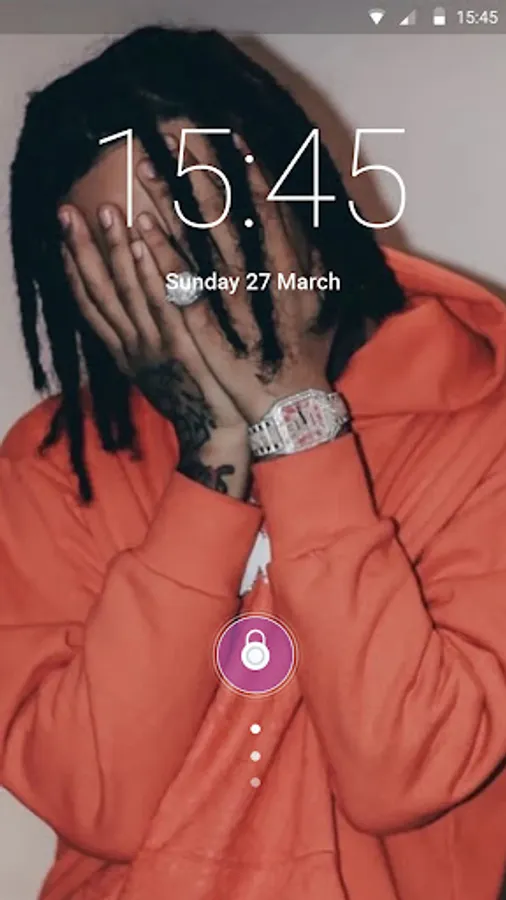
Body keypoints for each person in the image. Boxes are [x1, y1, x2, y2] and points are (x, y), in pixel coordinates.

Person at [2, 23, 506, 900]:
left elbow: (409, 769)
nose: (188, 290)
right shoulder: (53, 464)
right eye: (128, 264)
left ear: (304, 201)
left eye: (203, 227)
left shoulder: (486, 418)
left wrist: (295, 424)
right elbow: (99, 803)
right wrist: (214, 455)